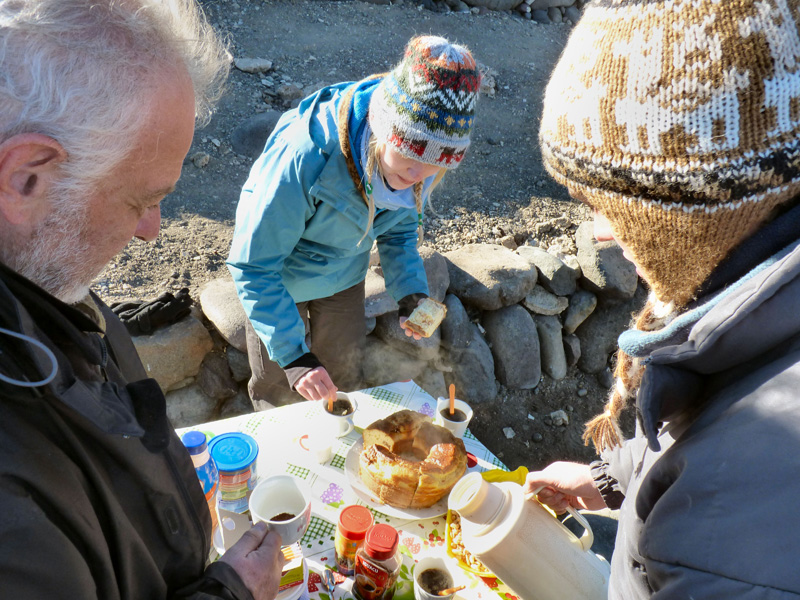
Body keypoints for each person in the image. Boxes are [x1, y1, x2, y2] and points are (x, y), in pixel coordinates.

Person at [0, 1, 285, 598]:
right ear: (26, 177)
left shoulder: (39, 275)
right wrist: (233, 591)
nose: (152, 229)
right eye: (141, 199)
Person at [524, 0, 800, 597]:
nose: (598, 232)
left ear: (691, 218)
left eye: (613, 206)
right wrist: (615, 475)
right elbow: (711, 417)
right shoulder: (751, 305)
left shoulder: (723, 541)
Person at [227, 35, 480, 408]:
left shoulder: (415, 170)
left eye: (436, 164)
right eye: (410, 154)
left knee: (343, 376)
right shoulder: (306, 155)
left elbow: (398, 233)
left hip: (343, 274)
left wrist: (411, 293)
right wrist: (295, 359)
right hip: (277, 279)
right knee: (279, 384)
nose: (419, 174)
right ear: (383, 130)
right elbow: (254, 266)